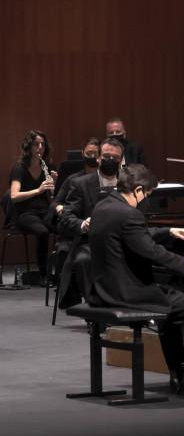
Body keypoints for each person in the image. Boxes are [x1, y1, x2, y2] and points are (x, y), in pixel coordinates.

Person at [88, 164, 184, 392]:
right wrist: (183, 262)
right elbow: (150, 250)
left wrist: (167, 231)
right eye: (147, 194)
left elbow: (133, 236)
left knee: (174, 306)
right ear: (137, 190)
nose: (146, 199)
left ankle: (178, 371)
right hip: (129, 293)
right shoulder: (130, 213)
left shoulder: (103, 206)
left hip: (103, 291)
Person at [57, 138, 124, 308]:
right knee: (84, 260)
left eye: (115, 158)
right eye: (106, 156)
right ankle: (95, 311)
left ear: (121, 161)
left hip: (123, 242)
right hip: (90, 242)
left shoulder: (129, 184)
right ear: (98, 158)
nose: (110, 160)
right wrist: (82, 224)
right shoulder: (80, 184)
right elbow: (66, 217)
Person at [7, 130, 58, 285]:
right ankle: (43, 274)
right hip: (25, 212)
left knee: (64, 227)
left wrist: (54, 183)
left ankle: (63, 272)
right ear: (29, 147)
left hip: (44, 210)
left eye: (42, 144)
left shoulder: (48, 166)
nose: (40, 147)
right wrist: (38, 190)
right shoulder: (19, 168)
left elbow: (51, 195)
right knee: (42, 232)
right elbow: (14, 196)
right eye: (36, 144)